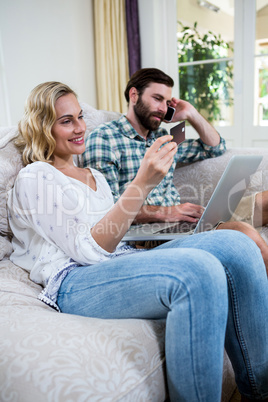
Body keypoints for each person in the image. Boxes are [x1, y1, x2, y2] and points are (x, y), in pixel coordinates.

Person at [8, 82, 268, 401]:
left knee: (236, 244)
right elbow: (86, 250)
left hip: (120, 260)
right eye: (66, 121)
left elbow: (116, 234)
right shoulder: (35, 176)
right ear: (42, 126)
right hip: (74, 280)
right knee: (199, 271)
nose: (79, 128)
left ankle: (261, 390)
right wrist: (141, 183)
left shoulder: (95, 177)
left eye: (79, 117)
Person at [83, 67, 268, 271]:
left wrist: (191, 113)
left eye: (167, 102)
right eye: (157, 98)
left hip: (182, 222)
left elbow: (214, 147)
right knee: (246, 235)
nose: (163, 108)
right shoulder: (104, 138)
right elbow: (105, 210)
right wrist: (166, 213)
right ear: (134, 95)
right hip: (149, 234)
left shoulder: (163, 138)